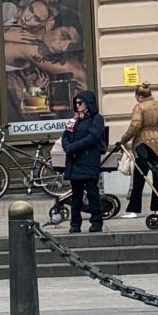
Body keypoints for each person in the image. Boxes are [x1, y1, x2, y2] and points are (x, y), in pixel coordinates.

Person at [116, 83, 158, 218]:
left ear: (139, 96)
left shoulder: (139, 107)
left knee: (140, 177)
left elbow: (135, 126)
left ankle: (134, 209)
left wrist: (123, 140)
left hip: (144, 144)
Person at [60, 90, 107, 234]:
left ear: (88, 104)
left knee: (92, 193)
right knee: (76, 196)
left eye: (80, 103)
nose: (77, 105)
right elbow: (65, 136)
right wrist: (66, 146)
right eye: (76, 103)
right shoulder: (74, 119)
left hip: (89, 160)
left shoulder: (96, 119)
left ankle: (96, 222)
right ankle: (75, 224)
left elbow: (93, 137)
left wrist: (73, 147)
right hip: (75, 162)